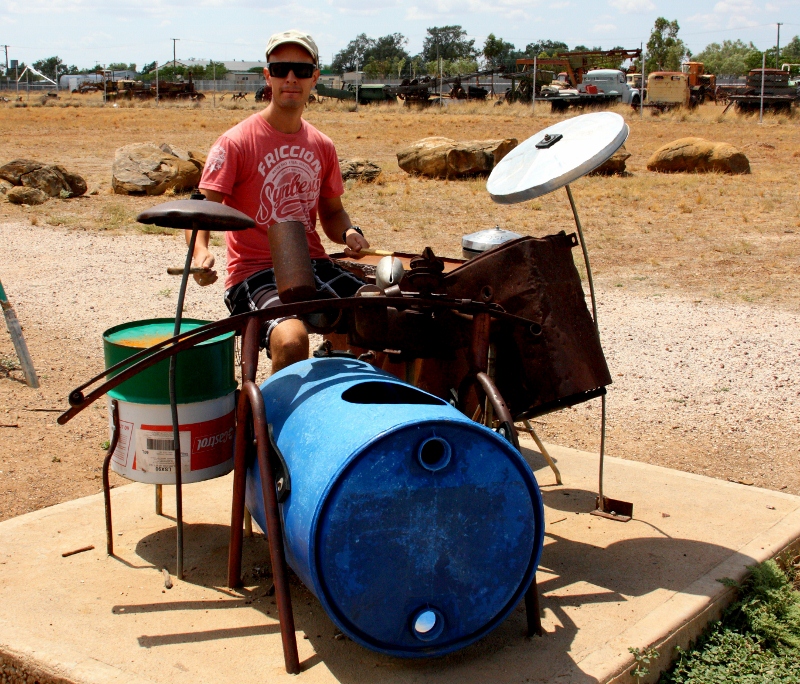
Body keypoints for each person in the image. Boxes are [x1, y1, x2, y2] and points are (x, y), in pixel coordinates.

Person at [188, 29, 369, 372]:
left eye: (301, 70)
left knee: (379, 312)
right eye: (281, 69)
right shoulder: (236, 142)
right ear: (267, 75)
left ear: (315, 77)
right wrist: (200, 253)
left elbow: (333, 213)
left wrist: (349, 233)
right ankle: (274, 408)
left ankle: (348, 391)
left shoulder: (322, 145)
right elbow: (199, 210)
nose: (291, 78)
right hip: (254, 272)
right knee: (291, 340)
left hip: (312, 264)